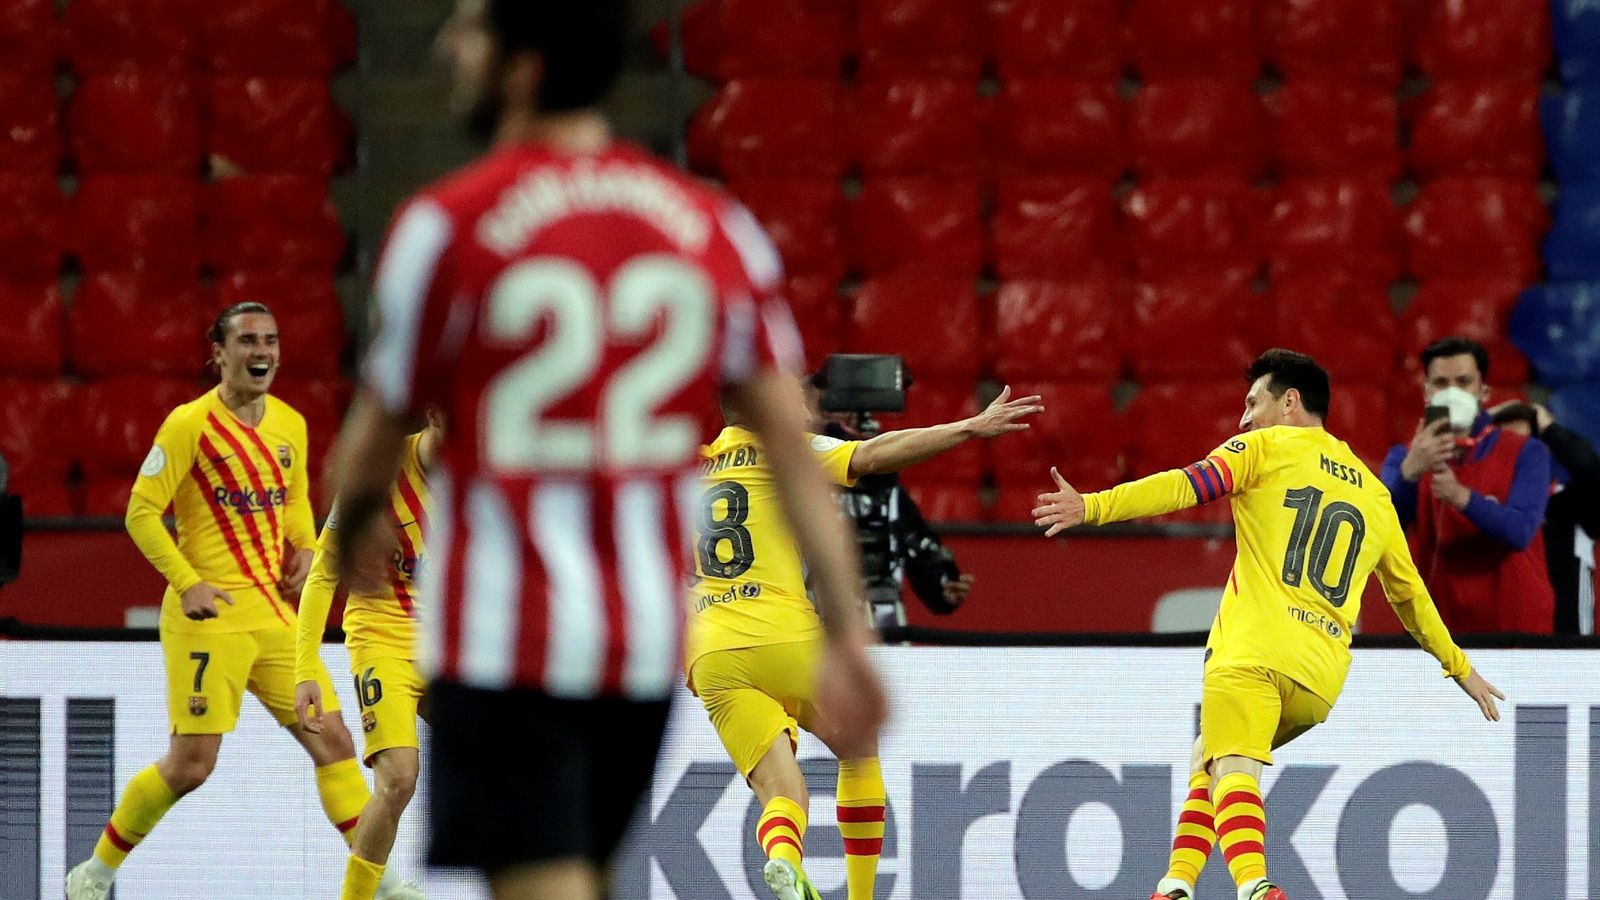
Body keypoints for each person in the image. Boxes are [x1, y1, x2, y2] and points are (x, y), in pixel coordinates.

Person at [327, 3, 888, 898]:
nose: (446, 45)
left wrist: (355, 523)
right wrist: (851, 635)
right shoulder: (709, 226)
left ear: (525, 64)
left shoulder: (447, 225)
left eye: (474, 27)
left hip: (511, 638)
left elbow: (373, 433)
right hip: (639, 645)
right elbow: (789, 442)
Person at [1031, 349, 1503, 900]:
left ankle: (1255, 887)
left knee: (1233, 768)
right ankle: (1174, 885)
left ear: (1289, 402)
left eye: (1253, 402)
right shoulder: (1374, 493)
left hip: (1252, 654)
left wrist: (1091, 506)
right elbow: (1410, 596)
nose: (1244, 418)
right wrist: (1460, 667)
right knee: (1207, 754)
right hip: (1319, 682)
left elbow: (1184, 485)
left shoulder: (1263, 448)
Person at [67, 303, 418, 900]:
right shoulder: (187, 425)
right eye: (248, 341)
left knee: (332, 738)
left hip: (274, 617)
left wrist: (305, 551)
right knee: (191, 766)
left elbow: (296, 510)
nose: (263, 352)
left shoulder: (290, 425)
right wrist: (187, 582)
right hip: (209, 621)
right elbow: (140, 512)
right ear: (218, 354)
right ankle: (94, 873)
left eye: (272, 341)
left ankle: (378, 886)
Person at [690, 382, 1041, 900]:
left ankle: (784, 860)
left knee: (780, 790)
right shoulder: (783, 448)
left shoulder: (692, 468)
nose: (805, 404)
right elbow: (874, 454)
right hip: (781, 631)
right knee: (858, 748)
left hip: (707, 648)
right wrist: (969, 427)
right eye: (791, 394)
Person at [294, 409, 445, 900]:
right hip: (384, 637)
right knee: (399, 778)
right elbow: (322, 573)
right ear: (432, 412)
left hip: (449, 644)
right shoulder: (382, 469)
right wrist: (305, 667)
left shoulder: (481, 472)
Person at [1380, 336, 1555, 633]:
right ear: (1426, 392)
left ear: (1483, 391)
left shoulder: (1526, 451)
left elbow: (1521, 531)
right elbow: (1380, 532)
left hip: (1516, 623)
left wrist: (1461, 497)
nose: (1452, 393)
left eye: (1463, 382)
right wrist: (1409, 473)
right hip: (1439, 627)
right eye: (1441, 383)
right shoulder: (1403, 458)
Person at [1489, 402, 1600, 632]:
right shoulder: (1478, 502)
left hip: (1566, 647)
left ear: (1545, 451)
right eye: (1507, 445)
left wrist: (1548, 428)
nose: (1517, 456)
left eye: (1526, 447)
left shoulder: (1569, 500)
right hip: (1496, 641)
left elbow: (1591, 470)